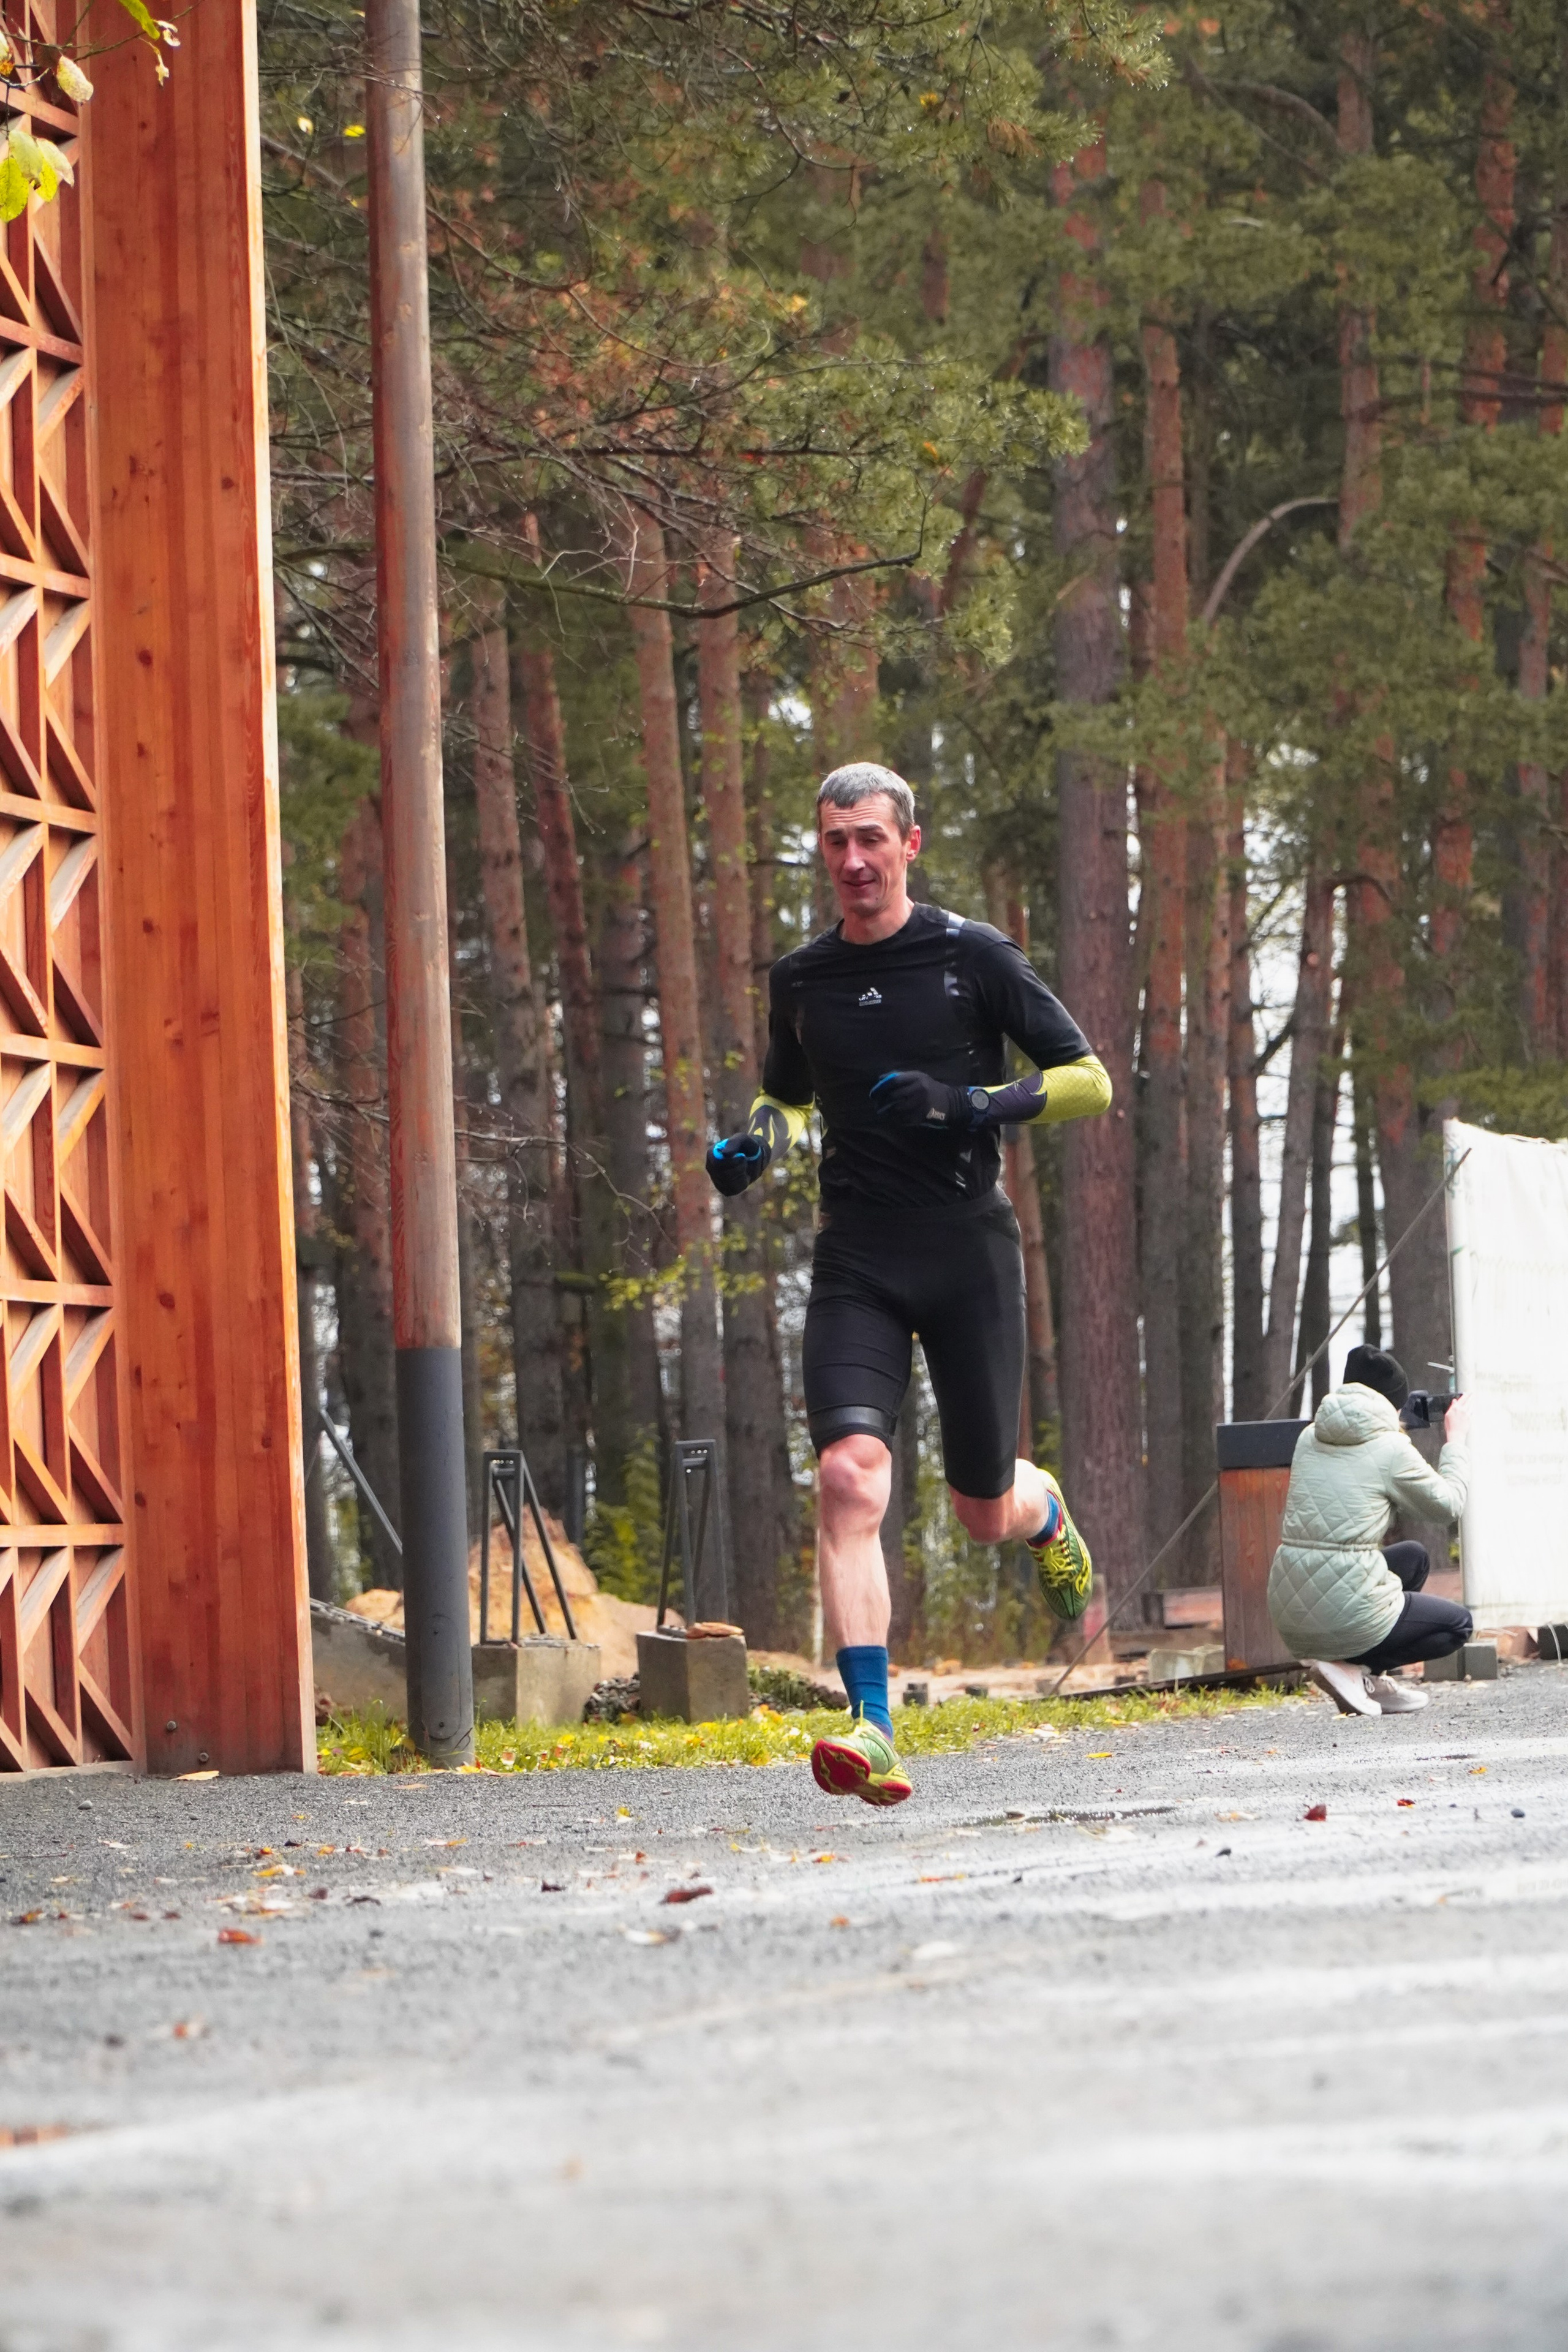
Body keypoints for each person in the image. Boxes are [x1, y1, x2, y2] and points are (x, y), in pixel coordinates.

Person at [705, 762, 1113, 1804]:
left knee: (983, 1511)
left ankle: (1043, 1510)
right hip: (859, 1256)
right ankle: (873, 1726)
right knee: (849, 1477)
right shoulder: (802, 980)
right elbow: (788, 1098)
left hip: (967, 1250)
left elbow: (1087, 1079)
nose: (852, 860)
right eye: (834, 841)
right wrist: (755, 1144)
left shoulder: (972, 957)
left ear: (909, 845)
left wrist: (970, 1101)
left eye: (870, 839)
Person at [1268, 1343, 1473, 1717]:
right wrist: (1455, 1441)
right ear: (1393, 1403)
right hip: (1345, 1614)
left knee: (1413, 1559)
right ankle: (1353, 1669)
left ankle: (1364, 1677)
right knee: (1459, 1625)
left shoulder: (1309, 1438)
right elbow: (1449, 1505)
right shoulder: (1391, 1448)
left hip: (1292, 1611)